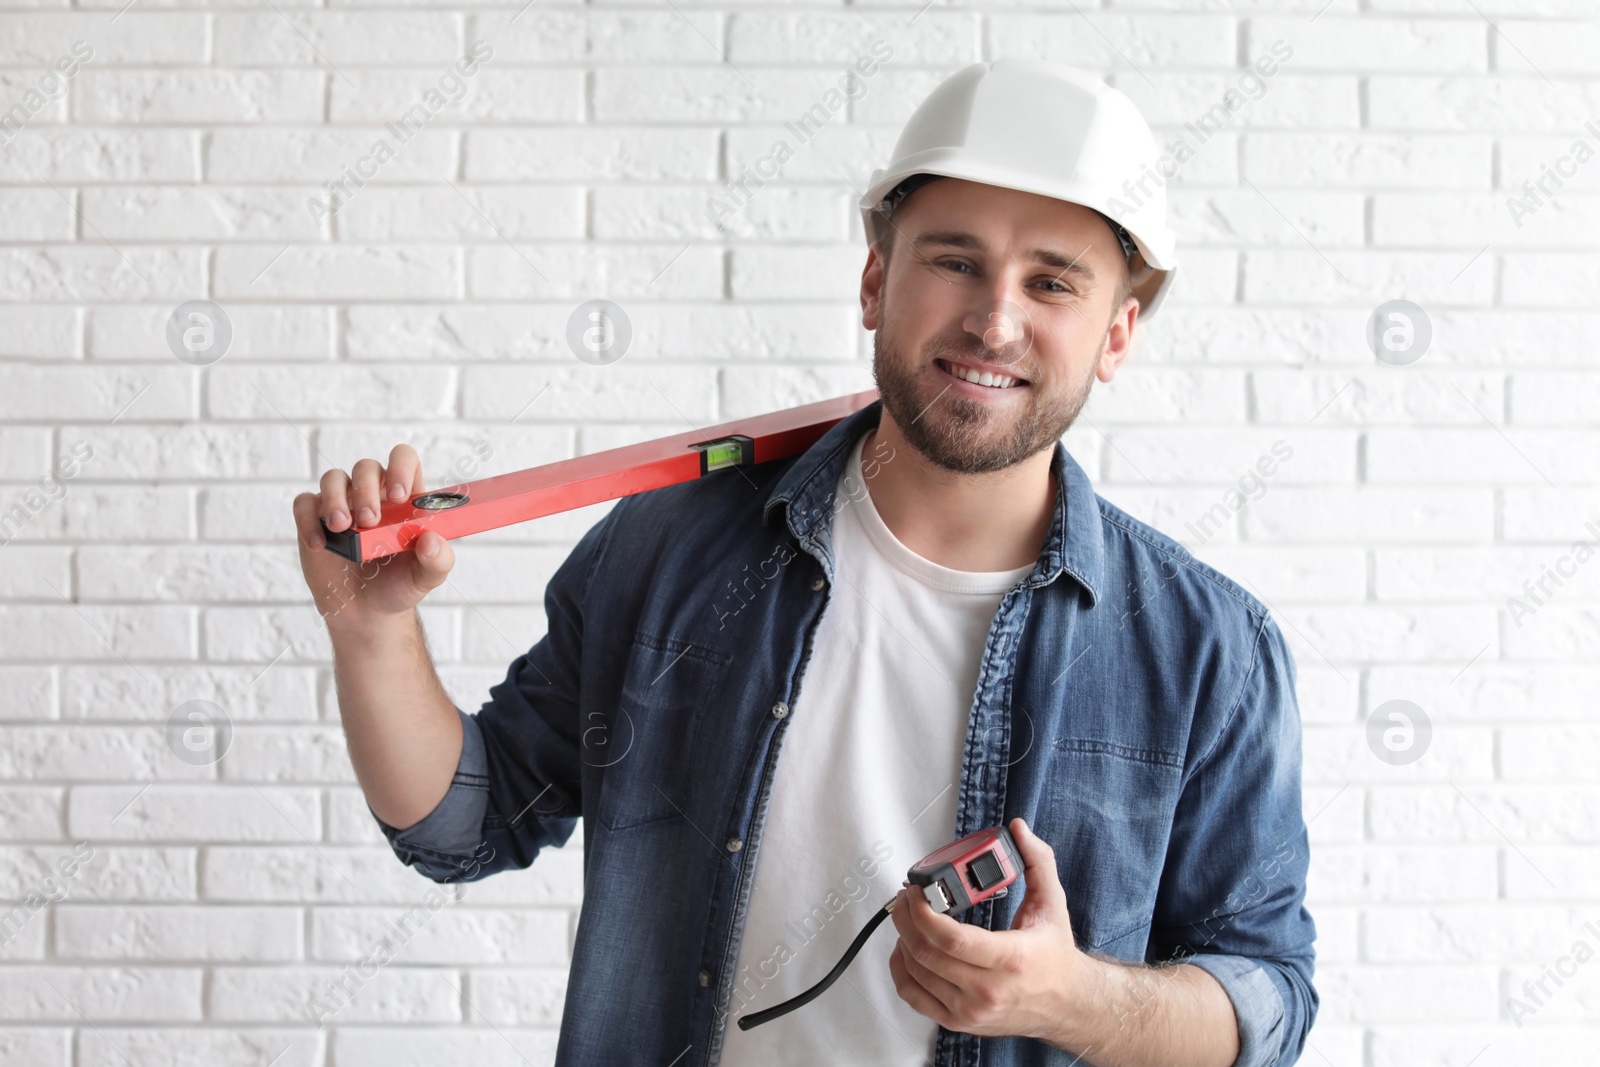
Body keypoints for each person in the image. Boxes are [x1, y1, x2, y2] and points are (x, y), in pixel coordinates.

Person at [294, 58, 1317, 1067]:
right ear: (876, 279)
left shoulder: (1206, 650)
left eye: (1051, 281)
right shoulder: (669, 548)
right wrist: (371, 630)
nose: (994, 319)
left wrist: (1073, 999)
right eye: (953, 261)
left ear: (1116, 334)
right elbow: (467, 823)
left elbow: (1265, 1003)